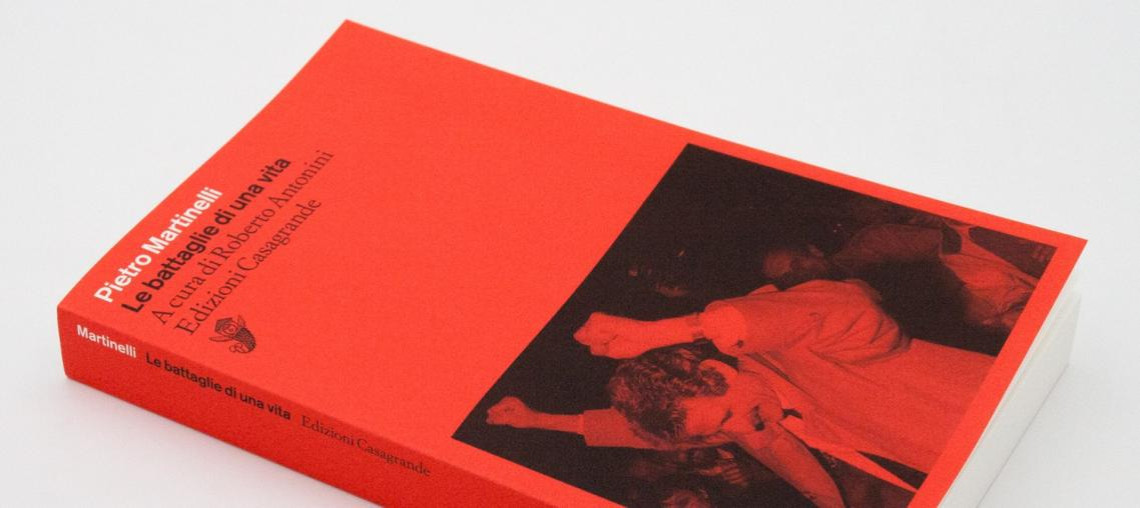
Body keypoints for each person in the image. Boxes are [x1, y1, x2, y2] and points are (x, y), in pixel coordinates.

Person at [571, 272, 995, 489]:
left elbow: (849, 308)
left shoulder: (796, 351)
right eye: (720, 429)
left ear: (717, 371)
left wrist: (665, 332)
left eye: (727, 416)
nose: (742, 429)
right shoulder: (774, 419)